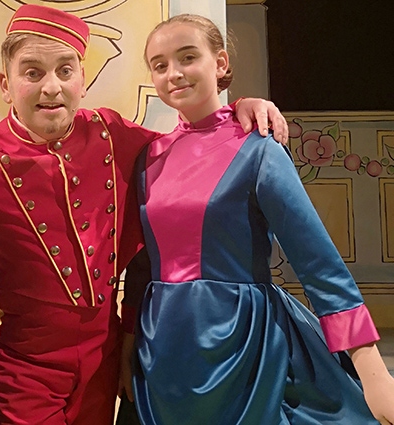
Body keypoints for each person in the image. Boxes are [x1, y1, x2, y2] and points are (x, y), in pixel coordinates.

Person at [0, 5, 288, 424]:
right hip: (25, 366)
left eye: (65, 70)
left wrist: (237, 110)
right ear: (5, 84)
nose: (51, 87)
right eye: (32, 72)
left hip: (105, 362)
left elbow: (192, 147)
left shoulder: (110, 132)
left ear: (82, 79)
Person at [122, 13, 394, 424]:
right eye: (160, 66)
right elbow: (142, 264)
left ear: (221, 63)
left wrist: (372, 371)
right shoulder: (148, 157)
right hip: (161, 350)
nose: (173, 73)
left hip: (244, 345)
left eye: (187, 57)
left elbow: (317, 260)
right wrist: (127, 348)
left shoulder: (258, 147)